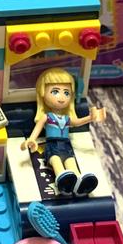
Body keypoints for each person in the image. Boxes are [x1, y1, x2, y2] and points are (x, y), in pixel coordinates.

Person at [21, 68, 106, 196]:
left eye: (66, 93)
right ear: (42, 92)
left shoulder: (66, 118)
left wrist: (90, 118)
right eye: (55, 91)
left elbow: (77, 122)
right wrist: (31, 140)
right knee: (55, 161)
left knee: (71, 162)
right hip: (52, 145)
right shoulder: (47, 117)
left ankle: (79, 182)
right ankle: (62, 180)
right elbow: (37, 129)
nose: (61, 97)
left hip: (66, 145)